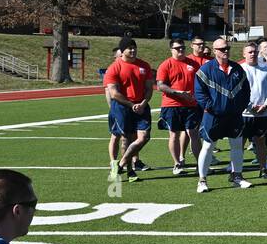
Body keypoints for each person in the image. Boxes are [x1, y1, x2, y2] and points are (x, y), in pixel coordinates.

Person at [194, 38, 252, 192]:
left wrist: (239, 108)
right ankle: (202, 180)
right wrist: (213, 108)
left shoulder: (238, 69)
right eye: (222, 49)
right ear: (214, 51)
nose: (225, 51)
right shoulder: (205, 70)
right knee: (207, 147)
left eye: (227, 48)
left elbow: (246, 91)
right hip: (213, 116)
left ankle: (237, 176)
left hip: (234, 116)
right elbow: (200, 94)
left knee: (237, 146)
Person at [103, 37, 155, 182]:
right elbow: (113, 92)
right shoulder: (114, 67)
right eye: (129, 48)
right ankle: (130, 172)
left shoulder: (144, 65)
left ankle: (121, 164)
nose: (132, 50)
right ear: (122, 50)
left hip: (141, 106)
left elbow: (149, 88)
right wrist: (131, 105)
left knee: (144, 137)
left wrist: (143, 103)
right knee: (125, 138)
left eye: (134, 47)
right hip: (123, 106)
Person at [155, 39, 201, 176]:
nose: (181, 50)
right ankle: (177, 163)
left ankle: (201, 164)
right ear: (171, 49)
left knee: (194, 133)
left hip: (191, 105)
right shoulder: (166, 65)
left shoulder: (193, 64)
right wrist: (177, 93)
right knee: (174, 134)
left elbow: (201, 81)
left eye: (182, 47)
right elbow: (160, 85)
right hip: (172, 105)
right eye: (177, 48)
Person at [240, 42, 267, 180]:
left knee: (261, 142)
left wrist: (266, 105)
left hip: (263, 113)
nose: (253, 54)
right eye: (249, 52)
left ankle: (263, 169)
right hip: (245, 113)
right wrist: (250, 106)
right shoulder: (240, 70)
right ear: (244, 54)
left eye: (255, 52)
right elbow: (238, 91)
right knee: (240, 143)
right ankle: (236, 172)